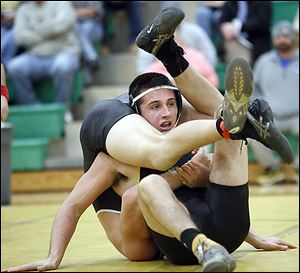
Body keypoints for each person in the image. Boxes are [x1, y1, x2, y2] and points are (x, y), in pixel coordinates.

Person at [3, 7, 295, 273]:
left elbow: (205, 201)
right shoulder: (112, 158)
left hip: (194, 230)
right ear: (137, 115)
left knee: (210, 151)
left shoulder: (176, 136)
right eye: (155, 107)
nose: (167, 113)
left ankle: (178, 62)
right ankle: (234, 127)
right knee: (147, 186)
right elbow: (73, 205)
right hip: (141, 245)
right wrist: (53, 257)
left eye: (171, 105)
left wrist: (251, 236)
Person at [249, 20, 299, 185]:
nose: (282, 40)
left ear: (293, 38)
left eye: (285, 36)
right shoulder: (264, 61)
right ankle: (273, 169)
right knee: (251, 133)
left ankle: (297, 170)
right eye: (278, 37)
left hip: (297, 117)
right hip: (271, 117)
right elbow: (254, 88)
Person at [6, 1, 80, 110]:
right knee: (14, 67)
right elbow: (19, 38)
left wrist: (34, 31)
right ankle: (31, 109)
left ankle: (63, 110)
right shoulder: (24, 9)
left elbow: (61, 26)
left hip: (64, 53)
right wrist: (49, 30)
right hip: (34, 56)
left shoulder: (61, 3)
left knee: (63, 66)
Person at [219, 1, 272, 66]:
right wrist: (226, 30)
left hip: (258, 42)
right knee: (242, 63)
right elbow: (223, 24)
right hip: (236, 41)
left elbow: (262, 23)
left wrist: (239, 26)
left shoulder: (263, 3)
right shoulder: (230, 3)